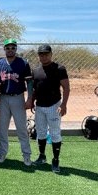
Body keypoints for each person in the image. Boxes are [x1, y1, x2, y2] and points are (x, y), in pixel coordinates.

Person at [0, 39, 33, 166]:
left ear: (16, 49)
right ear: (4, 49)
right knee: (2, 129)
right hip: (4, 98)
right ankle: (3, 153)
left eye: (13, 47)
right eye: (8, 47)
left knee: (21, 128)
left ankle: (26, 155)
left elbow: (29, 82)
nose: (10, 50)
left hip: (18, 97)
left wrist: (29, 99)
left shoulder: (23, 63)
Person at [32, 44, 70, 173]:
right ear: (38, 55)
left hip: (54, 105)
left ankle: (55, 160)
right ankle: (42, 156)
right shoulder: (36, 70)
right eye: (41, 54)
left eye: (46, 54)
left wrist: (63, 104)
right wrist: (31, 102)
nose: (43, 56)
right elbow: (34, 89)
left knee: (54, 133)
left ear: (51, 54)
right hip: (40, 106)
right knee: (41, 132)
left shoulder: (59, 68)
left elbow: (66, 87)